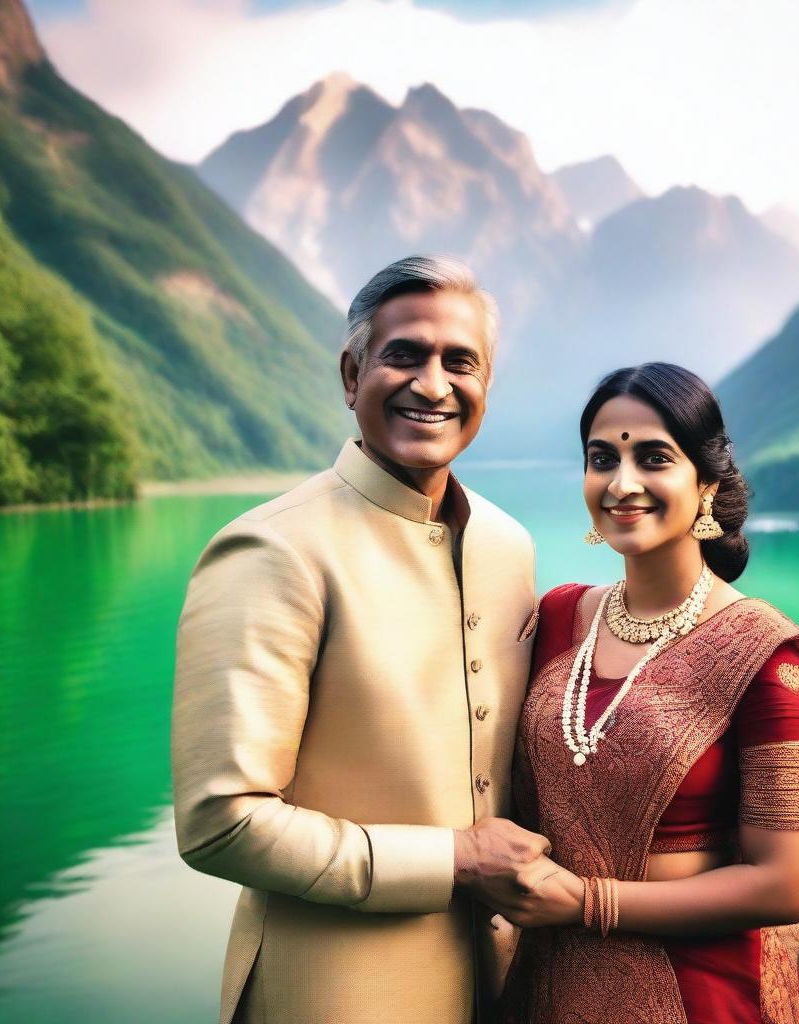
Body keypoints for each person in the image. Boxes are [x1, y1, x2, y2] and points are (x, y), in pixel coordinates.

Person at [171, 255, 551, 1024]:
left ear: (485, 388)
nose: (433, 385)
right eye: (404, 354)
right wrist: (454, 858)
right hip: (333, 990)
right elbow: (220, 823)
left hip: (499, 982)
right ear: (352, 376)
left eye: (461, 363)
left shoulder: (509, 547)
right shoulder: (273, 550)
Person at [490, 363, 799, 1024]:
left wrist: (589, 902)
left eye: (653, 458)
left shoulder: (767, 655)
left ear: (706, 483)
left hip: (693, 993)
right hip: (544, 988)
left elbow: (782, 885)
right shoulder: (559, 618)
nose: (622, 482)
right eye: (601, 458)